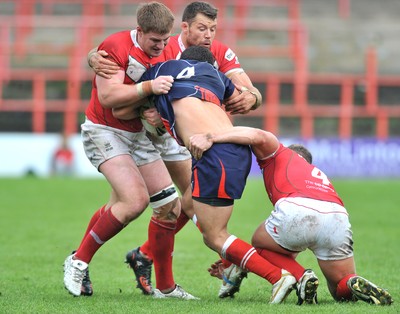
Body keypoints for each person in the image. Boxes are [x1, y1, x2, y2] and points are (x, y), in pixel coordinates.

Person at [87, 1, 263, 297]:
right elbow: (124, 72)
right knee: (176, 202)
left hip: (196, 136)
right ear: (185, 27)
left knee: (188, 202)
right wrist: (92, 57)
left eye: (213, 29)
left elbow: (250, 90)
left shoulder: (218, 52)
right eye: (202, 28)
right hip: (164, 135)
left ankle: (144, 255)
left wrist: (253, 98)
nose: (208, 35)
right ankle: (222, 260)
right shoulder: (162, 46)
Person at [122, 45, 297, 303]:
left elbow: (123, 101)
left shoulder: (163, 69)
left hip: (214, 153)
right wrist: (253, 96)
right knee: (188, 203)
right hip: (236, 149)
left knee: (214, 235)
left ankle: (276, 276)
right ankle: (196, 268)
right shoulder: (217, 77)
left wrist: (146, 110)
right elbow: (243, 98)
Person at [63, 2, 198, 300]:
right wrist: (148, 89)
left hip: (139, 136)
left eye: (165, 40)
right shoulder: (115, 45)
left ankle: (166, 287)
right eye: (155, 41)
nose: (161, 46)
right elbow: (110, 96)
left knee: (169, 208)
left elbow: (164, 97)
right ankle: (78, 262)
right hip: (104, 131)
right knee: (134, 202)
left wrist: (158, 115)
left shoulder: (170, 50)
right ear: (140, 31)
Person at [188, 126, 394, 306]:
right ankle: (350, 283)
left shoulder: (280, 154)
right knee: (339, 291)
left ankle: (302, 276)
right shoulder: (314, 173)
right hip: (337, 216)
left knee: (259, 243)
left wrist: (211, 136)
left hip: (297, 208)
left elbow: (258, 135)